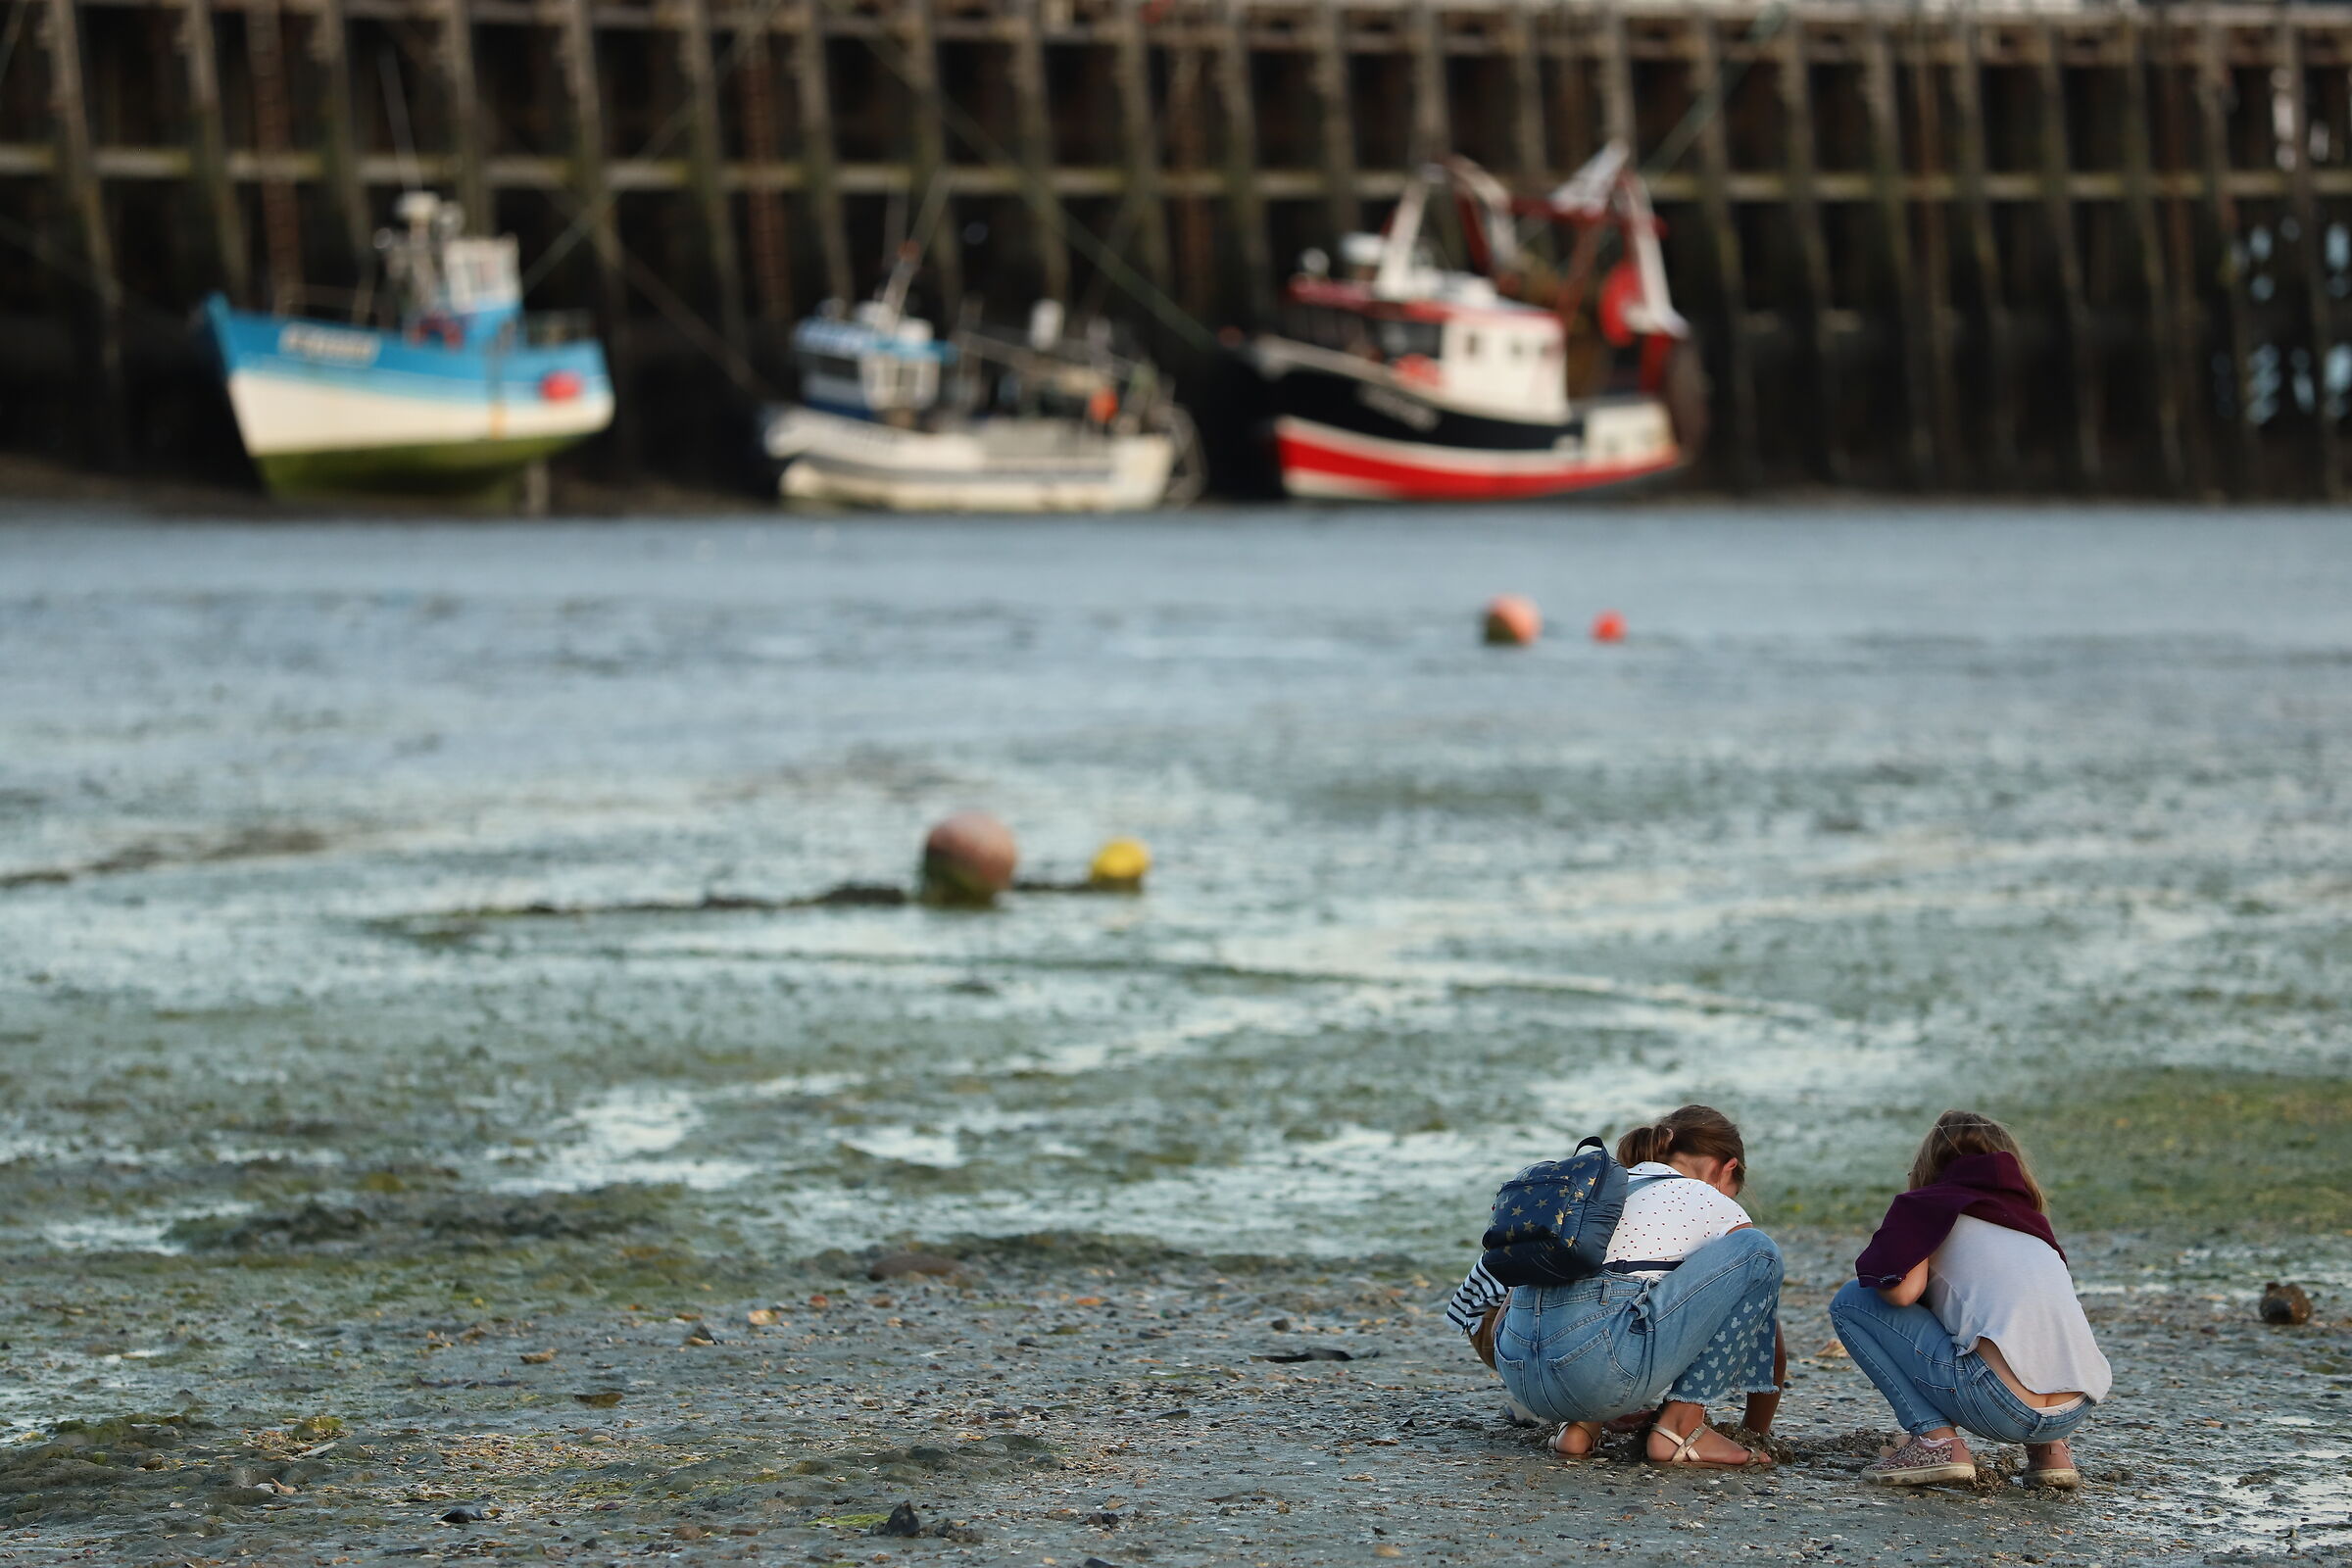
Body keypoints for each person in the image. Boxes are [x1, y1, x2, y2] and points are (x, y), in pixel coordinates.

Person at [1446, 1105, 1787, 1468]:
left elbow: (1507, 1307)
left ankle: (1579, 1428)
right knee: (1758, 1250)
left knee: (1617, 1283)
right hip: (1596, 1370)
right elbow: (1761, 1311)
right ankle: (1681, 1429)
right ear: (1727, 1168)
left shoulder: (1596, 1190)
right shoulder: (1710, 1201)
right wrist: (1755, 1432)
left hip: (1521, 1375)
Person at [1830, 1110, 2110, 1489]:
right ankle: (2051, 1452)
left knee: (1851, 1301)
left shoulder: (1930, 1207)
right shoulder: (2031, 1225)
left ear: (1929, 1163)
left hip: (2001, 1406)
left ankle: (1935, 1440)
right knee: (2004, 1316)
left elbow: (1901, 1293)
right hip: (2076, 1408)